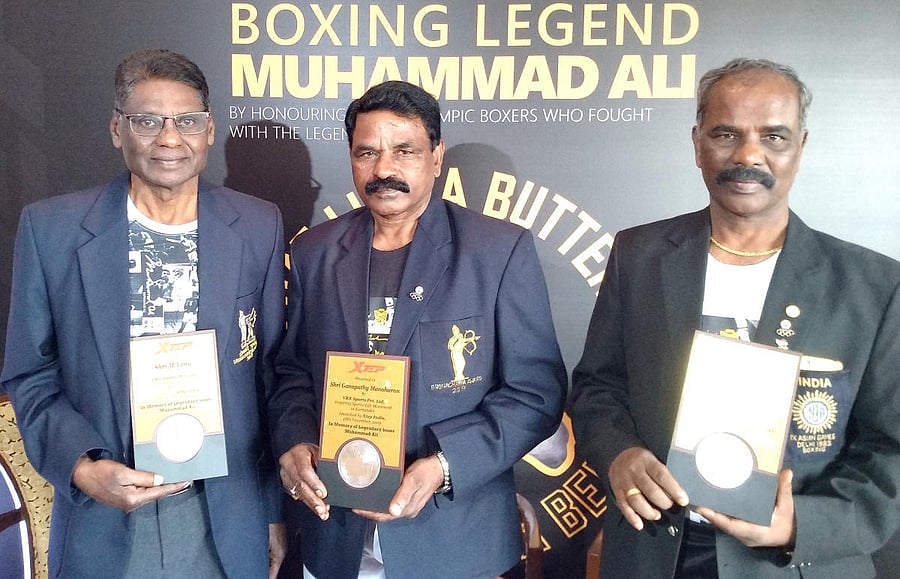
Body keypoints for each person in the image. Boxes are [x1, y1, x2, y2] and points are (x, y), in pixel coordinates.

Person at [571, 58, 900, 578]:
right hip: (653, 550)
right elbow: (597, 387)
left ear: (801, 147)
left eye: (774, 137)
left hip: (793, 564)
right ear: (697, 143)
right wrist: (619, 453)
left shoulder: (873, 286)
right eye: (726, 134)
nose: (748, 155)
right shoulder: (638, 255)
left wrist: (801, 525)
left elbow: (890, 450)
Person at [1, 49, 286, 578]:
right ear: (118, 129)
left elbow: (269, 374)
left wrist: (271, 511)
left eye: (187, 121)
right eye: (147, 121)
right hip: (105, 515)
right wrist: (81, 468)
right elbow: (30, 372)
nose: (169, 138)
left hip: (225, 513)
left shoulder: (257, 225)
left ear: (209, 129)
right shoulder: (52, 230)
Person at [270, 80, 567, 579]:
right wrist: (295, 440)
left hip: (453, 541)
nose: (384, 169)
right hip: (336, 537)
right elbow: (293, 373)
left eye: (404, 151)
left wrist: (443, 466)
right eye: (367, 152)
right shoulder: (313, 252)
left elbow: (536, 394)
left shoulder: (497, 251)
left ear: (436, 156)